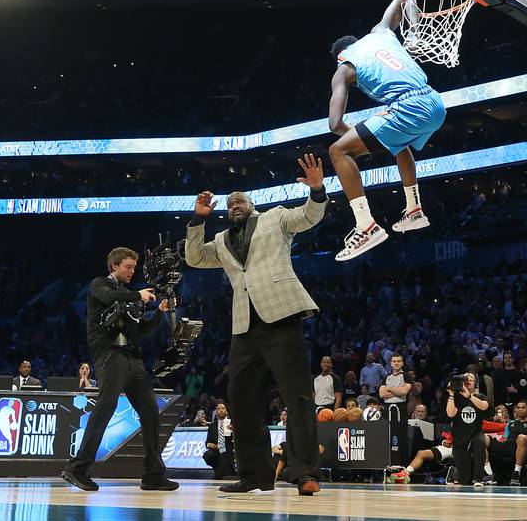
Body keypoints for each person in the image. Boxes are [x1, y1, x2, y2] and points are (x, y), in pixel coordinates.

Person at [185, 154, 328, 496]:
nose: (236, 204)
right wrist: (196, 221)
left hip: (280, 317)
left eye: (241, 201)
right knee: (242, 400)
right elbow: (193, 258)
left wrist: (318, 189)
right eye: (231, 202)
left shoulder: (276, 218)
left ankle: (305, 473)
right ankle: (255, 475)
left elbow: (309, 216)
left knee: (297, 398)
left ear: (252, 205)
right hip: (244, 326)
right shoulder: (220, 240)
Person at [327, 0, 448, 261]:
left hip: (408, 106)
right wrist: (414, 30)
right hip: (435, 102)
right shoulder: (380, 32)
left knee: (338, 151)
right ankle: (414, 210)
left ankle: (365, 226)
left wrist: (358, 137)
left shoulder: (344, 67)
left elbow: (335, 123)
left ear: (340, 56)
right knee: (395, 140)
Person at [60, 247, 178, 493]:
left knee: (150, 411)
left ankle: (153, 474)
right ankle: (77, 468)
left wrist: (159, 313)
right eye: (128, 267)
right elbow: (109, 298)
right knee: (106, 406)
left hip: (132, 358)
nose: (132, 272)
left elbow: (141, 331)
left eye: (134, 267)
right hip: (109, 354)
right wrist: (137, 296)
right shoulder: (99, 285)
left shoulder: (128, 294)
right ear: (114, 266)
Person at [446, 372, 489, 487]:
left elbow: (484, 406)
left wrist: (469, 396)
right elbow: (451, 414)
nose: (467, 382)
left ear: (475, 383)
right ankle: (455, 472)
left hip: (475, 432)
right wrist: (451, 393)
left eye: (470, 380)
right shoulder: (456, 398)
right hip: (460, 435)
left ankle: (478, 478)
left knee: (479, 442)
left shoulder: (480, 397)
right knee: (464, 480)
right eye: (465, 380)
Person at [494, 401, 527, 486]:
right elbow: (505, 440)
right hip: (508, 448)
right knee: (486, 439)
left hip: (523, 448)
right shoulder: (510, 423)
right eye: (518, 407)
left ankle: (516, 472)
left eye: (523, 407)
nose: (520, 409)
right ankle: (488, 473)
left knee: (521, 437)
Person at [380, 353, 413, 467]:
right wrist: (397, 391)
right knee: (388, 438)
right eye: (394, 361)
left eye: (398, 361)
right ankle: (388, 465)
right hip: (388, 410)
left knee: (401, 438)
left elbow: (404, 393)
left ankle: (403, 466)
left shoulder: (407, 376)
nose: (396, 363)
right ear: (390, 363)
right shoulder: (386, 377)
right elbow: (381, 394)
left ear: (402, 363)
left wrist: (389, 388)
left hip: (401, 410)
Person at [204, 403, 236, 480]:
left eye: (223, 408)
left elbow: (241, 438)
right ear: (216, 412)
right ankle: (217, 468)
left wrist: (234, 431)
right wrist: (209, 445)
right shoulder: (212, 426)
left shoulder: (233, 423)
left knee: (223, 475)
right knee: (208, 454)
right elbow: (207, 442)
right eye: (219, 409)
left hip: (230, 450)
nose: (221, 410)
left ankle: (228, 470)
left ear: (226, 411)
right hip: (217, 450)